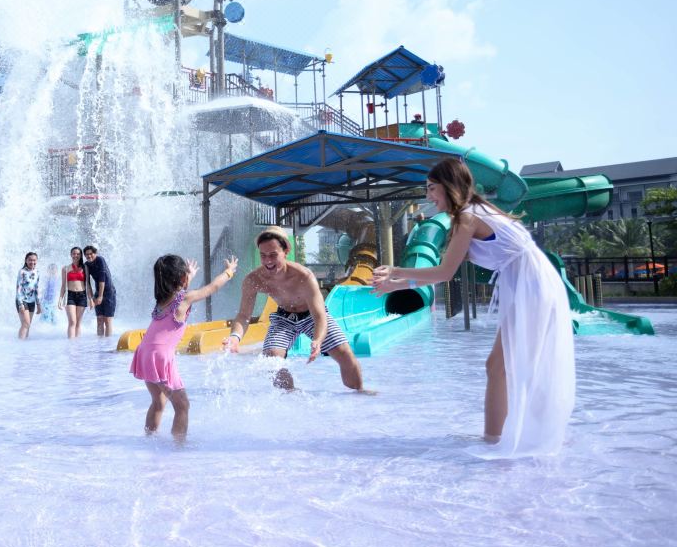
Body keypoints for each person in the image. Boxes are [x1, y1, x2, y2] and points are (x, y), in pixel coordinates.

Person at [371, 158, 575, 458]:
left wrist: (396, 271)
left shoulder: (468, 216)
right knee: (503, 366)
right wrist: (396, 285)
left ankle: (498, 440)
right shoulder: (471, 215)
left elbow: (443, 273)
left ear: (450, 186)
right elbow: (443, 271)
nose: (428, 196)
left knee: (504, 366)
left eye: (431, 188)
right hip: (528, 282)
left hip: (531, 285)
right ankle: (505, 435)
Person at [225, 228, 371, 393]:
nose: (268, 261)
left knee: (344, 353)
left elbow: (319, 316)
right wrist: (235, 337)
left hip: (312, 315)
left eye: (273, 255)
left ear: (286, 251)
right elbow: (244, 315)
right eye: (263, 255)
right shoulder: (254, 280)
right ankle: (291, 394)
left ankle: (360, 392)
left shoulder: (304, 276)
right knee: (271, 357)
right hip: (284, 318)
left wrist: (317, 340)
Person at [131, 254, 239, 440]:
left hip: (145, 352)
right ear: (181, 278)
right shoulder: (183, 299)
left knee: (158, 401)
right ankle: (178, 448)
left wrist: (188, 275)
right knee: (182, 405)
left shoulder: (162, 300)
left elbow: (180, 290)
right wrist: (229, 272)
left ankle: (148, 440)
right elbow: (212, 287)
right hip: (161, 356)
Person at [57, 247, 92, 339]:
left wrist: (91, 299)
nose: (75, 255)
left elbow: (88, 284)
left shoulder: (85, 268)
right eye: (74, 253)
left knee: (78, 322)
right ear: (71, 255)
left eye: (78, 254)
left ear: (81, 256)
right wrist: (60, 299)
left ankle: (77, 345)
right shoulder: (65, 268)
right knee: (72, 321)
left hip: (82, 295)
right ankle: (70, 344)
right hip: (70, 296)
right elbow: (63, 285)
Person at [84, 245, 117, 337]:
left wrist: (100, 296)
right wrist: (90, 299)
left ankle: (107, 344)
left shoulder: (100, 260)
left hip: (109, 292)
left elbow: (102, 279)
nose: (89, 256)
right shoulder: (86, 265)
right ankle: (100, 345)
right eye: (87, 255)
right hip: (98, 293)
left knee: (107, 320)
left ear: (95, 253)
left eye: (91, 254)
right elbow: (87, 282)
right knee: (99, 320)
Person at [15, 252, 42, 340]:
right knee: (26, 323)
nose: (32, 262)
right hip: (22, 301)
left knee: (28, 325)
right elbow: (18, 288)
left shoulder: (37, 272)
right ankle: (20, 344)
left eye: (34, 260)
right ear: (26, 261)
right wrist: (20, 304)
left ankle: (25, 346)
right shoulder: (22, 272)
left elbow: (36, 288)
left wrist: (38, 304)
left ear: (36, 261)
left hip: (32, 301)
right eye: (30, 260)